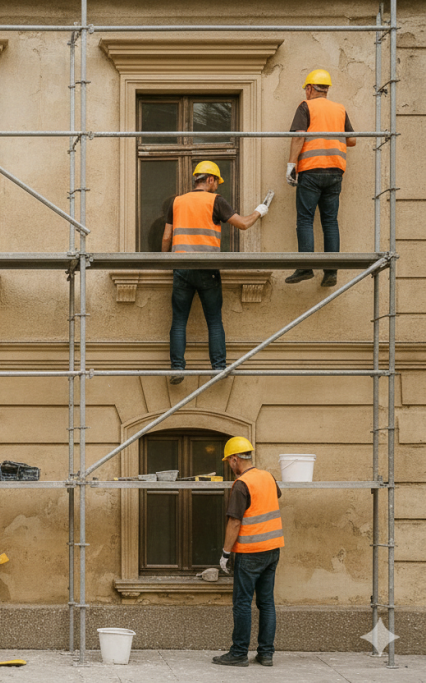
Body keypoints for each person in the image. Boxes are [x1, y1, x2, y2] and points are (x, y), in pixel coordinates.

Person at [161, 161, 268, 384]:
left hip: (182, 267)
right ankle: (219, 368)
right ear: (209, 179)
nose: (217, 187)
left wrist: (168, 262)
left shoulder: (177, 202)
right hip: (207, 268)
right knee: (214, 321)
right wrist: (259, 212)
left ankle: (177, 369)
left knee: (179, 321)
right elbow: (243, 224)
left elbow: (166, 238)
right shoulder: (215, 201)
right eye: (216, 182)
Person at [213, 436, 284, 668]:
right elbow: (275, 496)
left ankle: (239, 653)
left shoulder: (242, 484)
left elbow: (234, 523)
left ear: (235, 459)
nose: (229, 466)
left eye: (229, 461)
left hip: (250, 551)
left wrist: (225, 553)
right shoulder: (268, 477)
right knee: (266, 603)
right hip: (273, 549)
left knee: (242, 603)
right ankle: (266, 654)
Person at [284, 69, 356, 288]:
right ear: (326, 89)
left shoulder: (306, 106)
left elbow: (298, 136)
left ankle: (306, 267)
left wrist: (291, 165)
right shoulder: (339, 109)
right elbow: (352, 141)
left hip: (311, 171)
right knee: (330, 221)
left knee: (305, 219)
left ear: (309, 88)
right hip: (335, 172)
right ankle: (331, 272)